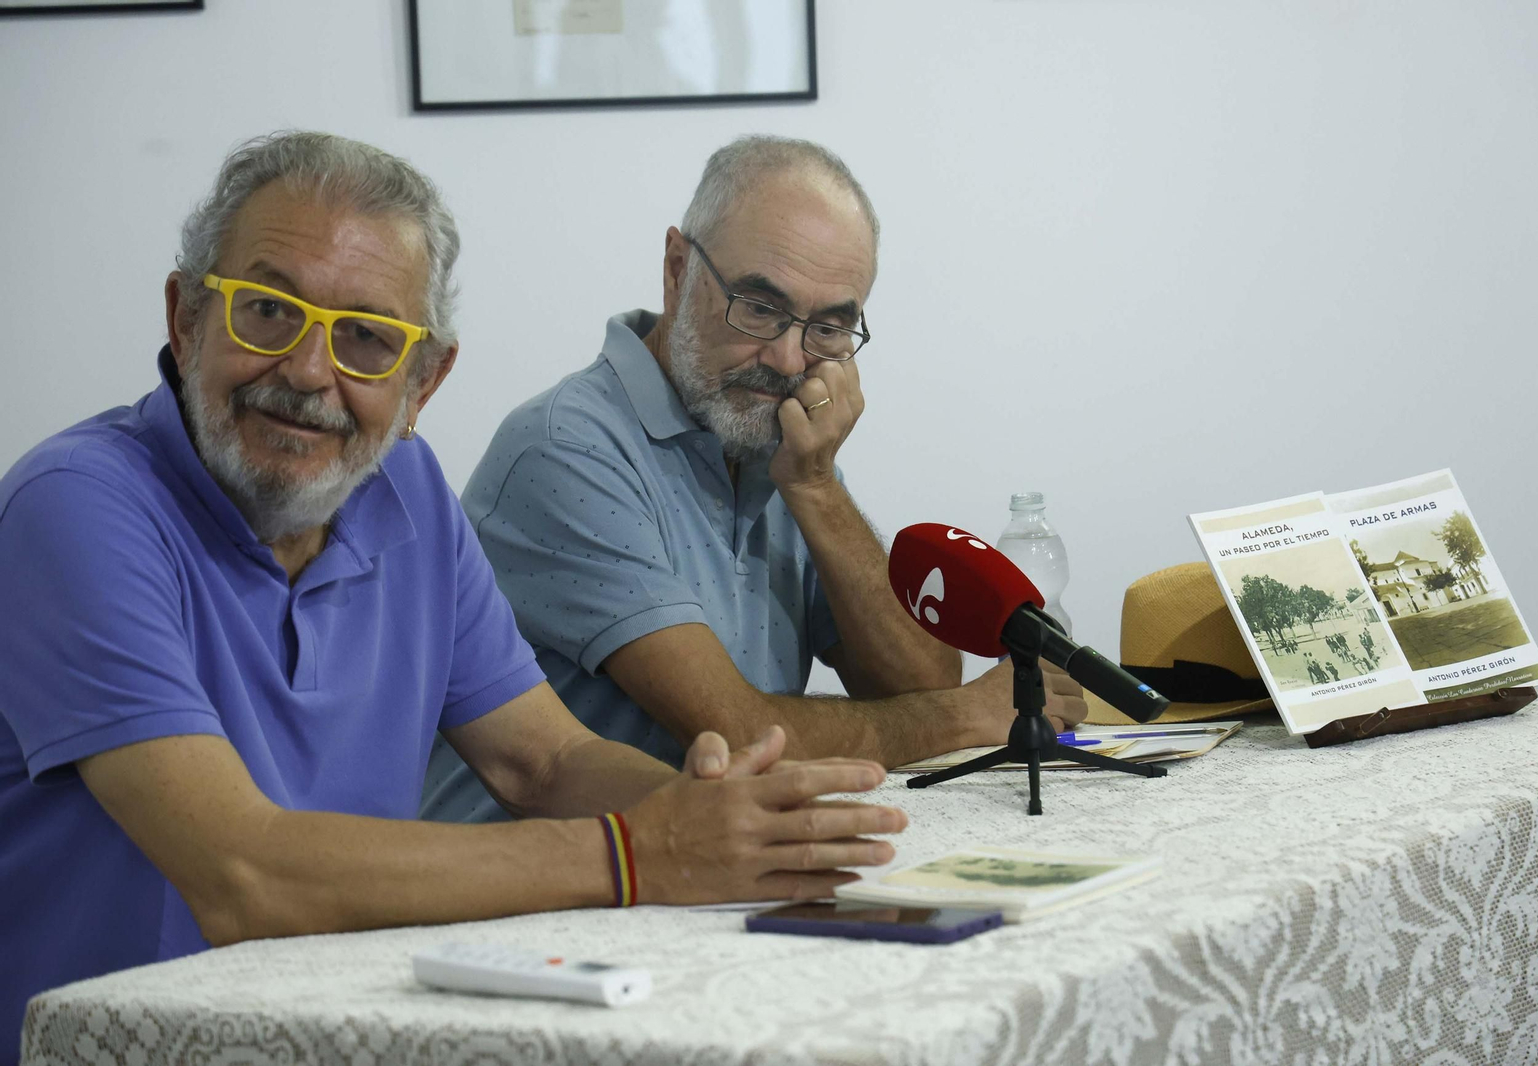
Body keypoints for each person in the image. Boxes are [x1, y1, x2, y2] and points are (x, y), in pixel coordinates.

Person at [0, 131, 905, 1062]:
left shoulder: (408, 490)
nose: (311, 372)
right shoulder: (75, 505)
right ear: (185, 318)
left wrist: (731, 821)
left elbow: (545, 764)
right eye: (266, 312)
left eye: (366, 338)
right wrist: (642, 854)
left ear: (424, 380)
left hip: (354, 1030)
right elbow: (240, 872)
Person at [422, 136, 1085, 823]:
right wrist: (962, 718)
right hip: (544, 894)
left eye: (830, 326)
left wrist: (817, 487)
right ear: (677, 268)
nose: (789, 357)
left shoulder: (773, 440)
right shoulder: (566, 448)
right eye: (761, 307)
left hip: (713, 869)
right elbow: (735, 736)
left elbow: (921, 679)